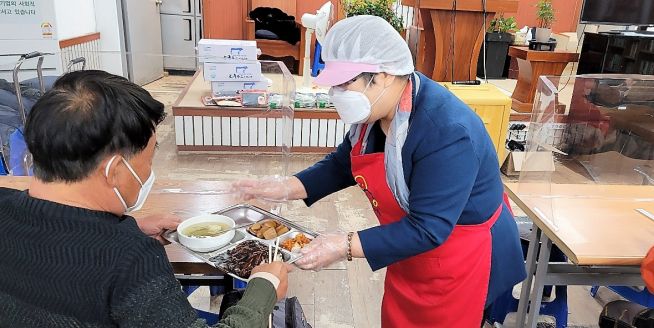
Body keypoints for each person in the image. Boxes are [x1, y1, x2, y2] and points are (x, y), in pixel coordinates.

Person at [236, 15, 527, 327]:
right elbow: (342, 164)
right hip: (408, 247)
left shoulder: (446, 130)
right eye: (335, 84)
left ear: (385, 74)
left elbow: (429, 229)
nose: (337, 93)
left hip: (461, 257)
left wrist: (343, 244)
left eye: (346, 83)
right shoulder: (377, 112)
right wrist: (286, 187)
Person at [0, 70, 290, 328]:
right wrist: (262, 291)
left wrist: (126, 227)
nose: (149, 171)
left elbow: (62, 244)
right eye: (149, 159)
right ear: (114, 170)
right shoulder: (131, 259)